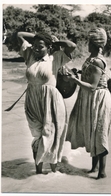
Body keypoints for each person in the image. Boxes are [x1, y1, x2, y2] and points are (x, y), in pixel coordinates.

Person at [17, 31, 76, 174]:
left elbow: (71, 46)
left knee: (50, 134)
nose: (36, 48)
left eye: (41, 46)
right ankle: (38, 173)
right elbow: (19, 35)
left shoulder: (55, 58)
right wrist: (39, 37)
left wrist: (55, 42)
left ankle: (53, 172)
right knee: (37, 136)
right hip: (32, 100)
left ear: (49, 47)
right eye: (35, 45)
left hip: (51, 101)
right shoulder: (29, 55)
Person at [66, 28, 111, 179]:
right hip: (92, 98)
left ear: (94, 45)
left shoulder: (97, 61)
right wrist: (78, 74)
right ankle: (94, 167)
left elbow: (93, 86)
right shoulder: (90, 59)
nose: (87, 45)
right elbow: (89, 76)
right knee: (93, 132)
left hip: (99, 98)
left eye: (89, 42)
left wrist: (74, 81)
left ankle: (102, 172)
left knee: (99, 134)